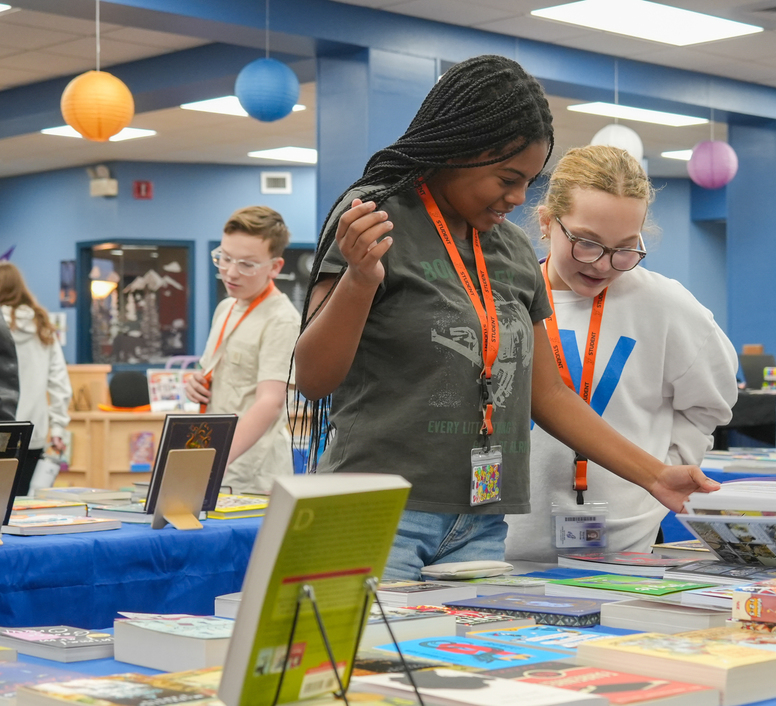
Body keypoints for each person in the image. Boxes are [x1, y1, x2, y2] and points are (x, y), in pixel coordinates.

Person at [293, 54, 720, 580]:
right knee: (367, 640)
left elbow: (550, 394)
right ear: (458, 152)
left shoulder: (513, 249)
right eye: (508, 178)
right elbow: (314, 378)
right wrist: (359, 280)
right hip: (375, 513)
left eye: (529, 181)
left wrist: (655, 475)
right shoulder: (376, 216)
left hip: (482, 522)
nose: (518, 198)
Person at [503, 145, 738, 563]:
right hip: (504, 545)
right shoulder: (505, 297)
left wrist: (657, 476)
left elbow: (710, 403)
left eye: (625, 248)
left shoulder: (665, 305)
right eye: (587, 243)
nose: (603, 265)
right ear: (546, 222)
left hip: (625, 549)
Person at [185, 206, 301, 495]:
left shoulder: (281, 319)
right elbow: (216, 374)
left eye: (247, 264)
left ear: (275, 267)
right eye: (225, 258)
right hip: (212, 458)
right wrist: (196, 383)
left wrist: (218, 459)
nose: (231, 272)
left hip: (251, 473)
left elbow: (270, 402)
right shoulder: (226, 308)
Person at [0, 261, 71, 495]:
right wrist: (58, 429)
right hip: (33, 432)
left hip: (2, 428)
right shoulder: (42, 324)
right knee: (20, 501)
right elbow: (60, 382)